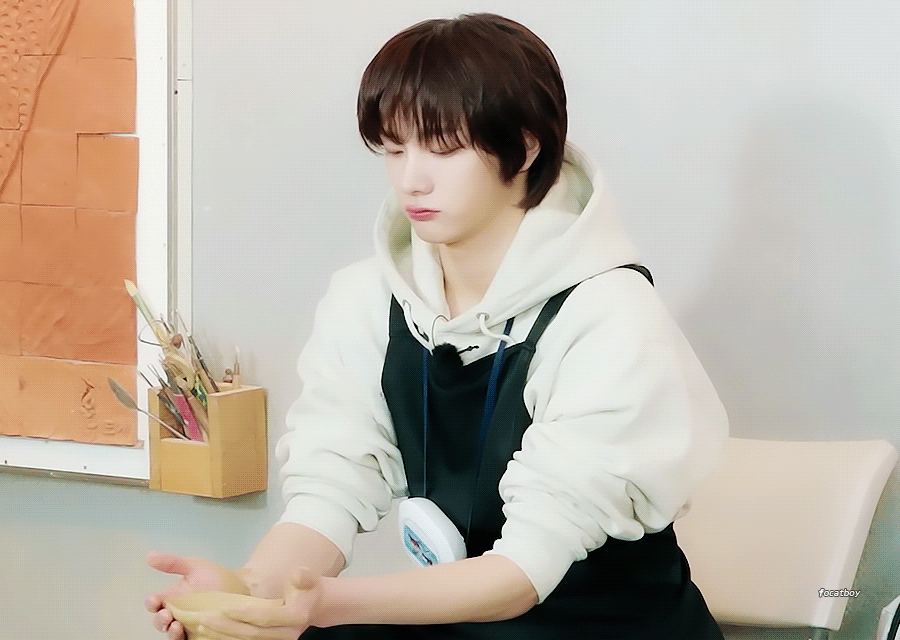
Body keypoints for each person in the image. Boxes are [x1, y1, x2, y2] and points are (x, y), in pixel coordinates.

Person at [146, 12, 729, 639]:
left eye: (444, 149)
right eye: (394, 149)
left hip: (606, 627)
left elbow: (524, 572)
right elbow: (331, 489)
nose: (410, 180)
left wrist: (324, 606)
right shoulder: (368, 299)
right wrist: (251, 593)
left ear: (526, 146)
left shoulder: (607, 314)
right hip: (464, 619)